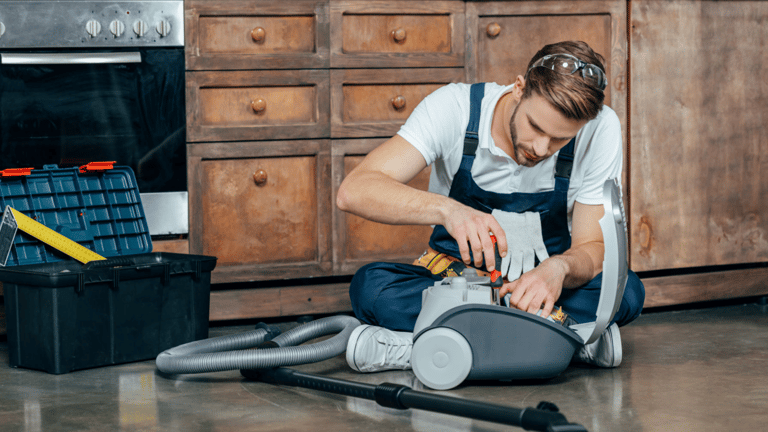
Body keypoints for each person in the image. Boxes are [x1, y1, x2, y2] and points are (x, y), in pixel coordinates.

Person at [336, 41, 645, 373]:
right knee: (372, 288)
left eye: (560, 139)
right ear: (519, 89)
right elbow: (354, 190)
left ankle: (422, 348)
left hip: (546, 291)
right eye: (536, 127)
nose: (542, 148)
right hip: (456, 285)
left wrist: (559, 269)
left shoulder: (600, 128)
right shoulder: (455, 108)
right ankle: (566, 338)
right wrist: (449, 210)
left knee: (626, 292)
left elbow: (592, 247)